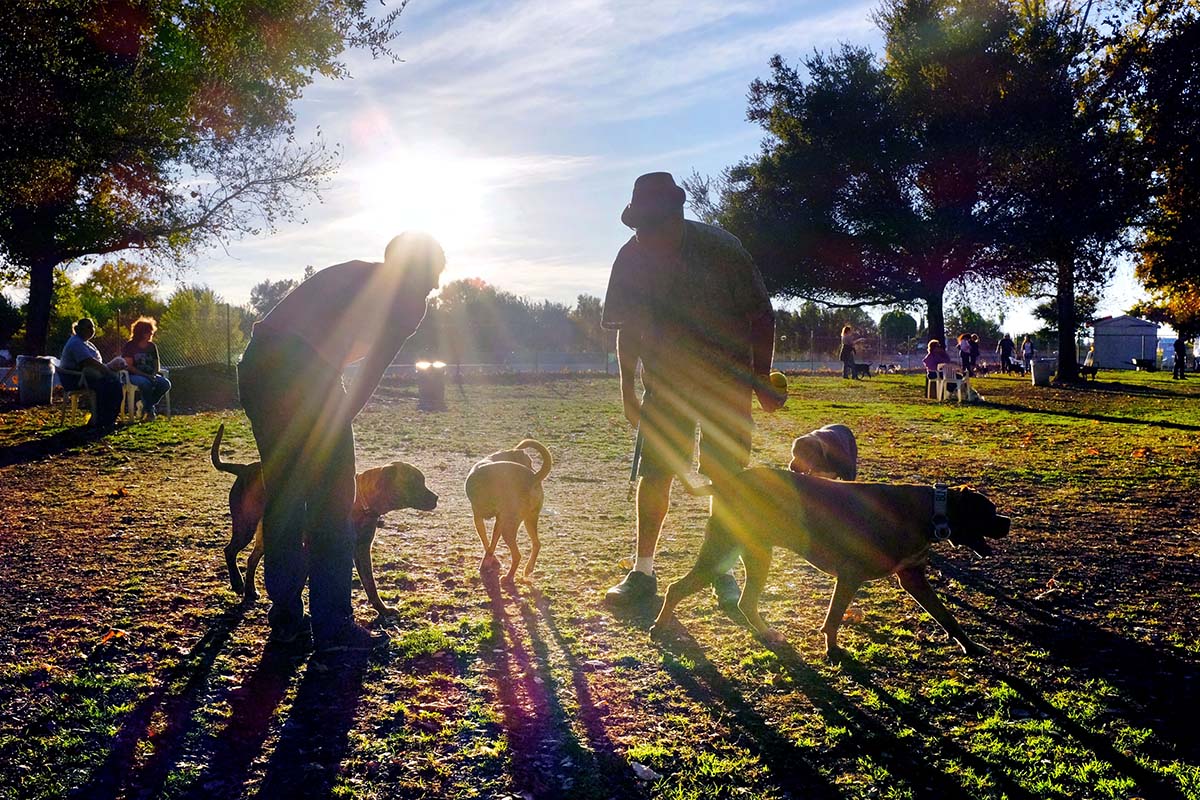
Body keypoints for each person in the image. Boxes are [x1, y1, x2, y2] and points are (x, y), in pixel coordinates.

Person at [237, 232, 445, 653]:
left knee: (285, 497)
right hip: (303, 371)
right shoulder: (408, 300)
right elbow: (371, 371)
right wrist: (338, 423)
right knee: (334, 503)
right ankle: (333, 626)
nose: (435, 286)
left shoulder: (354, 272)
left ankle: (287, 622)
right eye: (432, 276)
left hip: (258, 367)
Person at [600, 172, 784, 613]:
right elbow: (627, 327)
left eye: (654, 226)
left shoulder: (723, 250)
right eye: (639, 228)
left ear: (678, 217)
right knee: (656, 471)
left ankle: (720, 568)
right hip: (666, 380)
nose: (646, 237)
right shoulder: (631, 258)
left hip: (727, 379)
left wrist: (761, 378)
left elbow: (762, 316)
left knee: (727, 475)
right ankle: (642, 572)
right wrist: (627, 388)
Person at [59, 318, 122, 432]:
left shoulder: (86, 343)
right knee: (111, 385)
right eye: (88, 327)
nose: (91, 330)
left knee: (115, 383)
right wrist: (107, 371)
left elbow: (95, 363)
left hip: (87, 376)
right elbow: (87, 362)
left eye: (93, 327)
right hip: (75, 379)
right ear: (78, 329)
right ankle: (102, 420)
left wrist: (110, 368)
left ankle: (106, 419)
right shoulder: (76, 343)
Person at [121, 317, 171, 420]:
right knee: (145, 383)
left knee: (165, 384)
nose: (151, 334)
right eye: (149, 331)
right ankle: (149, 411)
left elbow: (156, 363)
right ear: (141, 333)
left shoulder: (152, 346)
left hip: (150, 375)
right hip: (133, 375)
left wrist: (153, 374)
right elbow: (129, 366)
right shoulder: (130, 346)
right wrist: (146, 376)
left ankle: (145, 404)